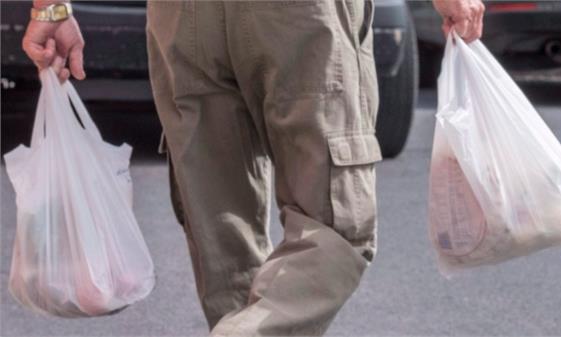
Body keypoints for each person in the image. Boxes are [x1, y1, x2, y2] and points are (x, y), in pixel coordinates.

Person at [22, 0, 484, 335]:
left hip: (181, 18)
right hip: (295, 14)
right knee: (337, 229)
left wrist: (51, 8)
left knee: (225, 243)